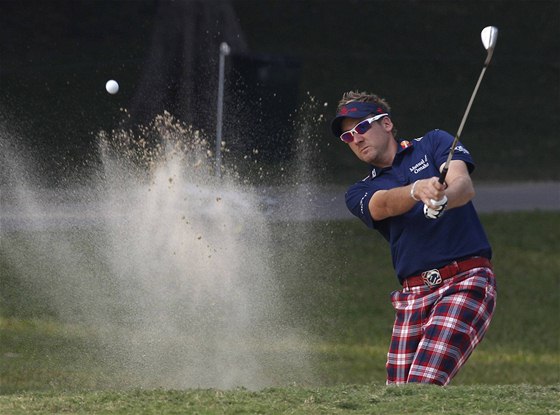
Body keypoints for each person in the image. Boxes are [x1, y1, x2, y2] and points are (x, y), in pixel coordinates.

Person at [330, 90, 497, 386]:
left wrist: (443, 198)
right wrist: (416, 190)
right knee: (397, 397)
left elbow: (462, 183)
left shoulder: (434, 142)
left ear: (387, 124)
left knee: (420, 387)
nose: (356, 138)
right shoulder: (358, 191)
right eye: (347, 136)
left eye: (362, 127)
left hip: (465, 281)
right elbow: (381, 205)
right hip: (413, 296)